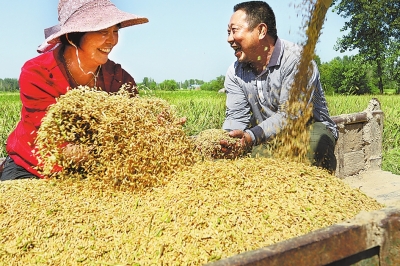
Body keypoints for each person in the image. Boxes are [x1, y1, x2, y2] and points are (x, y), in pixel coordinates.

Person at [0, 0, 148, 181]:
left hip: (93, 166)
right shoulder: (38, 73)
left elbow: (134, 124)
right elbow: (51, 137)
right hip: (33, 165)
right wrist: (104, 150)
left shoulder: (119, 80)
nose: (112, 40)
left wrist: (154, 128)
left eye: (115, 31)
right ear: (72, 36)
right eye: (103, 31)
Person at [218, 1, 338, 172]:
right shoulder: (235, 72)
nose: (229, 39)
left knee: (311, 153)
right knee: (248, 167)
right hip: (266, 135)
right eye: (228, 32)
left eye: (234, 30)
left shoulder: (297, 61)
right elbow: (236, 118)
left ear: (261, 31)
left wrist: (252, 136)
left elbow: (291, 116)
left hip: (308, 128)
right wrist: (226, 141)